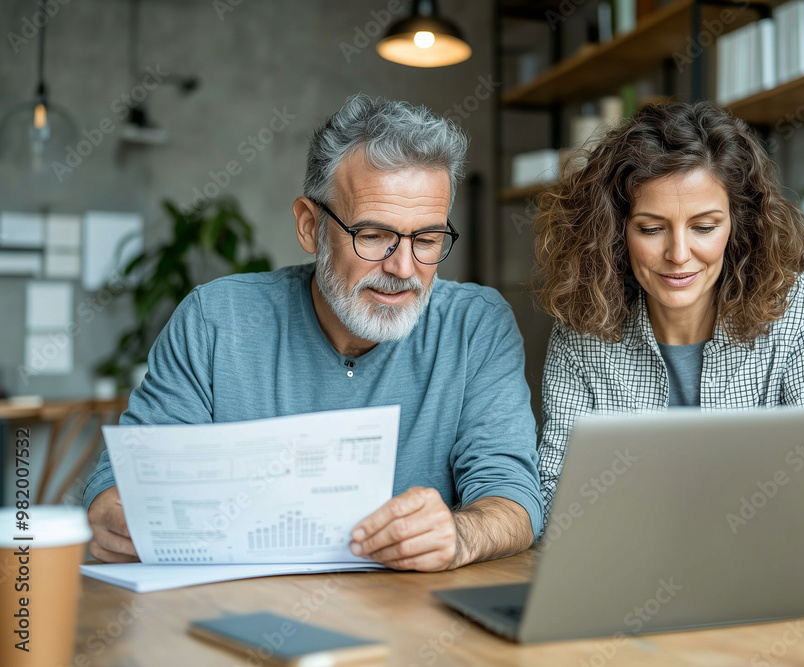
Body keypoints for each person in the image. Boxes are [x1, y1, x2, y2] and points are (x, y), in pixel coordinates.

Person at [84, 94, 543, 570]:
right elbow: (120, 488)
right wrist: (119, 516)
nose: (403, 268)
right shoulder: (214, 320)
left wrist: (460, 534)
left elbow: (512, 498)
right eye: (373, 236)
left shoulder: (476, 325)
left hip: (409, 621)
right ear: (310, 226)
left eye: (427, 240)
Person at [532, 101, 804, 540]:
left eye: (704, 227)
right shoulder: (583, 328)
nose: (679, 255)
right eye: (651, 228)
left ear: (739, 224)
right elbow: (553, 498)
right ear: (614, 231)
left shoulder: (796, 307)